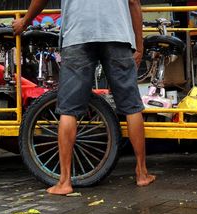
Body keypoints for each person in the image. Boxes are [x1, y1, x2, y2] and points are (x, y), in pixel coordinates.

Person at [13, 0, 155, 195]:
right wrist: (139, 44)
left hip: (78, 35)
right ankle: (142, 173)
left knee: (68, 109)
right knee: (132, 107)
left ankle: (64, 182)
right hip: (117, 35)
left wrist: (25, 22)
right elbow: (133, 2)